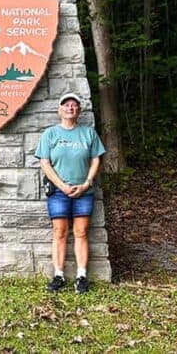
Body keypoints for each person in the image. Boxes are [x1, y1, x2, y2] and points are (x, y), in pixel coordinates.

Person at [36, 93, 104, 294]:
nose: (70, 108)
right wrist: (62, 185)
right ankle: (58, 275)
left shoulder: (88, 133)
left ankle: (81, 276)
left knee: (82, 232)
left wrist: (86, 183)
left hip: (84, 190)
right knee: (60, 232)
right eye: (66, 105)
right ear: (60, 110)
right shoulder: (50, 134)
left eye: (74, 105)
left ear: (79, 111)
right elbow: (44, 162)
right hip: (58, 191)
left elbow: (96, 160)